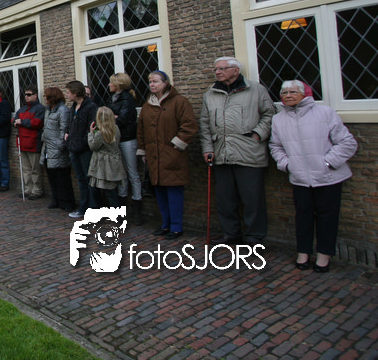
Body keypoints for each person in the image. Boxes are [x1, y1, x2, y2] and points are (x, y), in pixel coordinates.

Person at [269, 80, 358, 273]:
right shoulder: (278, 119)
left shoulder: (325, 113)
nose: (288, 95)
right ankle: (303, 253)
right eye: (284, 92)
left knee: (327, 217)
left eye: (293, 92)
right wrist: (287, 164)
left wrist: (327, 163)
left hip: (328, 177)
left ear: (304, 94)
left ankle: (324, 255)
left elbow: (347, 143)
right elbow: (275, 146)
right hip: (299, 178)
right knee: (303, 217)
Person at [199, 56, 275, 245]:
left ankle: (254, 237)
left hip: (248, 152)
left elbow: (269, 113)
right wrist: (207, 148)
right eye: (216, 69)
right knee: (225, 199)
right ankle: (231, 234)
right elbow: (205, 124)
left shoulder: (256, 90)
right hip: (220, 153)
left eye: (222, 68)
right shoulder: (210, 94)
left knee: (252, 199)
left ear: (236, 70)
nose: (218, 72)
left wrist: (257, 135)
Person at [137, 70, 197, 239]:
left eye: (155, 81)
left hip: (173, 155)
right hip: (153, 156)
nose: (152, 84)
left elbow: (189, 125)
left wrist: (177, 144)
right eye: (150, 82)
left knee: (174, 192)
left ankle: (176, 227)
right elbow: (141, 130)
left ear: (165, 83)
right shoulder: (147, 106)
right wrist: (143, 150)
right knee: (160, 193)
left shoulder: (179, 102)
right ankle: (165, 224)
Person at [107, 72, 143, 224]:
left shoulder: (127, 99)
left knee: (132, 172)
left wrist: (112, 118)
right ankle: (122, 209)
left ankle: (137, 208)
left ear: (118, 84)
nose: (109, 85)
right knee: (121, 173)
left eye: (111, 82)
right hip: (117, 139)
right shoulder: (113, 98)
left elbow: (122, 119)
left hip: (127, 139)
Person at [65, 80, 98, 218]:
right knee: (80, 179)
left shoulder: (91, 107)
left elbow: (91, 129)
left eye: (68, 92)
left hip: (85, 149)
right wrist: (67, 135)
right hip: (73, 148)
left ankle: (94, 208)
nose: (67, 95)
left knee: (89, 179)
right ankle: (83, 207)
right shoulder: (73, 107)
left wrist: (81, 143)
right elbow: (70, 124)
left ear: (75, 93)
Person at [41, 86, 76, 211]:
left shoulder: (62, 110)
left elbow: (64, 128)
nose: (44, 98)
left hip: (57, 148)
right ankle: (55, 199)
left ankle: (67, 201)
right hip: (47, 147)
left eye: (46, 96)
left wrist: (60, 145)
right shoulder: (48, 110)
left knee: (62, 177)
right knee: (52, 175)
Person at [87, 107, 124, 208]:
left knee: (102, 190)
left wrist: (91, 133)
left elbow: (93, 146)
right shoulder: (115, 128)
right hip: (114, 161)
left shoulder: (100, 133)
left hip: (102, 164)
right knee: (111, 191)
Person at [14, 85, 45, 199]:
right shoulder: (22, 109)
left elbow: (37, 123)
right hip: (22, 142)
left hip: (33, 142)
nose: (26, 96)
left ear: (35, 96)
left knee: (35, 169)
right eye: (25, 94)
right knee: (26, 169)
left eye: (29, 94)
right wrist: (16, 122)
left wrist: (22, 122)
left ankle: (37, 190)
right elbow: (14, 119)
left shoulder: (40, 108)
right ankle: (28, 189)